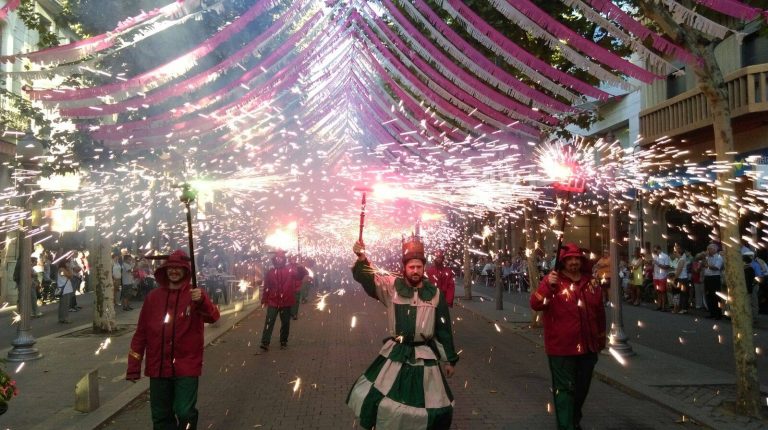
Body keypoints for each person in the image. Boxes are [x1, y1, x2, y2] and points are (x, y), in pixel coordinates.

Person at [348, 238, 458, 430]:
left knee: (433, 406)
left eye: (419, 267)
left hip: (425, 356)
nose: (415, 271)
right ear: (405, 268)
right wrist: (362, 258)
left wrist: (449, 360)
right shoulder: (392, 287)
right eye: (411, 267)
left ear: (424, 268)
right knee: (383, 400)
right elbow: (368, 279)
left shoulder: (435, 294)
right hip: (397, 353)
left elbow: (443, 329)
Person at [126, 249, 220, 430]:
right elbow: (141, 333)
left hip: (186, 367)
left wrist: (202, 301)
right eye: (170, 268)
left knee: (185, 411)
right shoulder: (153, 297)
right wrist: (133, 366)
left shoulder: (195, 295)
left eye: (178, 268)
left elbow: (213, 317)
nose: (174, 271)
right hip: (158, 367)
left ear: (185, 271)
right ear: (165, 270)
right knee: (161, 416)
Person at [530, 243, 606, 430]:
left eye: (576, 258)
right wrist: (547, 285)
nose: (573, 262)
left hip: (588, 347)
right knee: (564, 390)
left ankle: (573, 419)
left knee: (582, 388)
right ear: (562, 262)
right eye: (569, 259)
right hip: (562, 348)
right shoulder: (553, 281)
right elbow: (536, 304)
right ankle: (566, 426)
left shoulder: (591, 282)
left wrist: (600, 338)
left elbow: (599, 312)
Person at [260, 250, 298, 350]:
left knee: (285, 322)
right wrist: (264, 299)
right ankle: (265, 342)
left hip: (286, 301)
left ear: (284, 259)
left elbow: (299, 276)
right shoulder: (270, 273)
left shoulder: (290, 271)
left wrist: (298, 266)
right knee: (269, 321)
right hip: (273, 301)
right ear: (274, 260)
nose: (279, 260)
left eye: (281, 258)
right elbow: (267, 287)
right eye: (277, 258)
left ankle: (283, 341)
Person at [702, 243, 724, 319]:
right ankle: (712, 313)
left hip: (715, 278)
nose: (708, 251)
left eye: (710, 249)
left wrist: (707, 265)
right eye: (708, 249)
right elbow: (702, 264)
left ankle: (718, 314)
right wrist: (704, 258)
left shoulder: (719, 257)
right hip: (707, 277)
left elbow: (716, 267)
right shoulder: (707, 257)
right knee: (708, 295)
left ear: (715, 250)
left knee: (716, 296)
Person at [652, 245, 671, 311]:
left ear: (659, 249)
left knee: (662, 291)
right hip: (656, 276)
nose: (655, 252)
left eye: (656, 250)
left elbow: (667, 266)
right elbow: (653, 266)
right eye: (654, 251)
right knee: (658, 291)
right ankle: (659, 305)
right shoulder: (655, 256)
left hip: (662, 276)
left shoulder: (665, 256)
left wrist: (658, 264)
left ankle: (663, 306)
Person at [57, 259, 75, 324]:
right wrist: (69, 268)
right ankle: (65, 318)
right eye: (68, 263)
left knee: (62, 305)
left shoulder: (62, 269)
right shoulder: (62, 269)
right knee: (65, 305)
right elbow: (70, 276)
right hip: (65, 290)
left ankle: (61, 318)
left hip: (65, 289)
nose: (69, 264)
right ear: (65, 263)